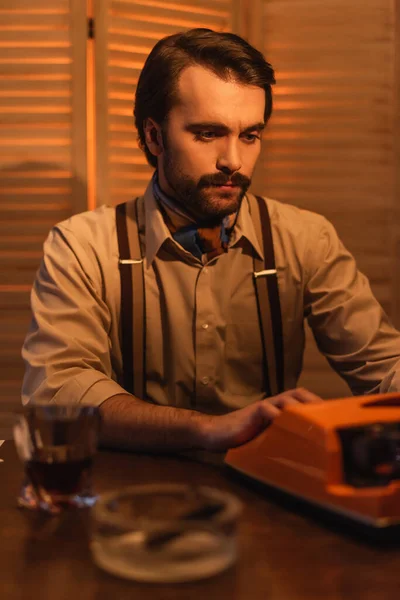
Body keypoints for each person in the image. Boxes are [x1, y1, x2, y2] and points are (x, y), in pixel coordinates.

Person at [22, 28, 400, 455]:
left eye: (250, 136)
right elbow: (59, 391)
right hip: (128, 498)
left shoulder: (306, 239)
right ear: (154, 136)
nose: (233, 161)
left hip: (266, 491)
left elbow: (383, 364)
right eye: (207, 134)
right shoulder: (81, 246)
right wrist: (206, 429)